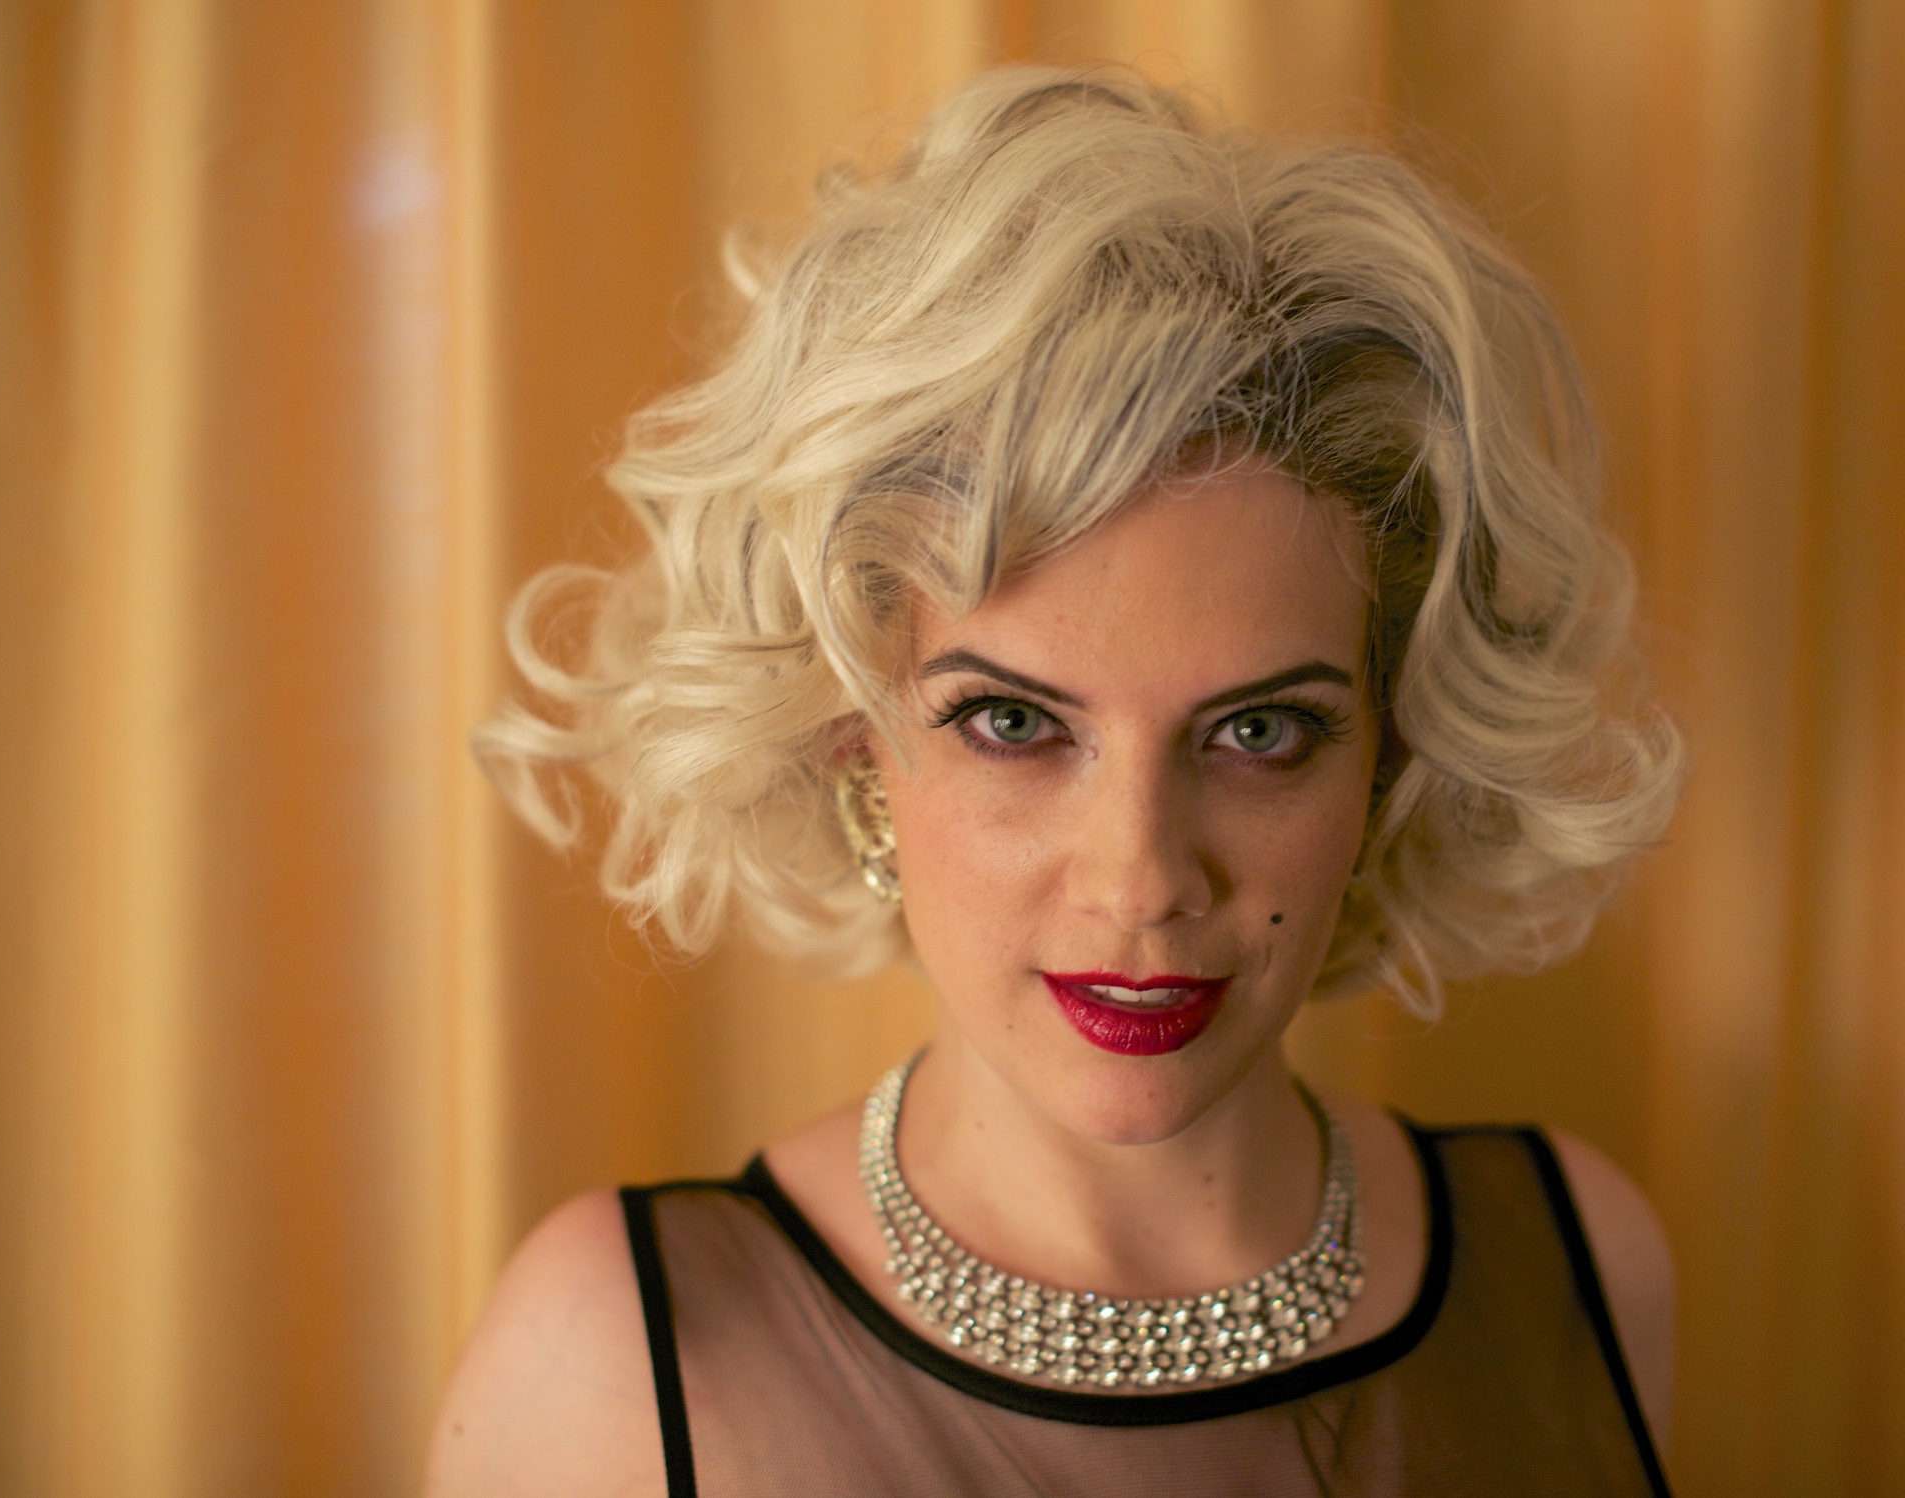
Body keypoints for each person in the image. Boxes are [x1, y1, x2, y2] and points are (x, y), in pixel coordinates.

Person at [427, 66, 1684, 1497]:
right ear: (851, 740)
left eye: (1261, 733)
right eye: (1014, 722)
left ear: (1390, 753)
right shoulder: (621, 1360)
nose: (1142, 880)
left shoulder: (1585, 1271)